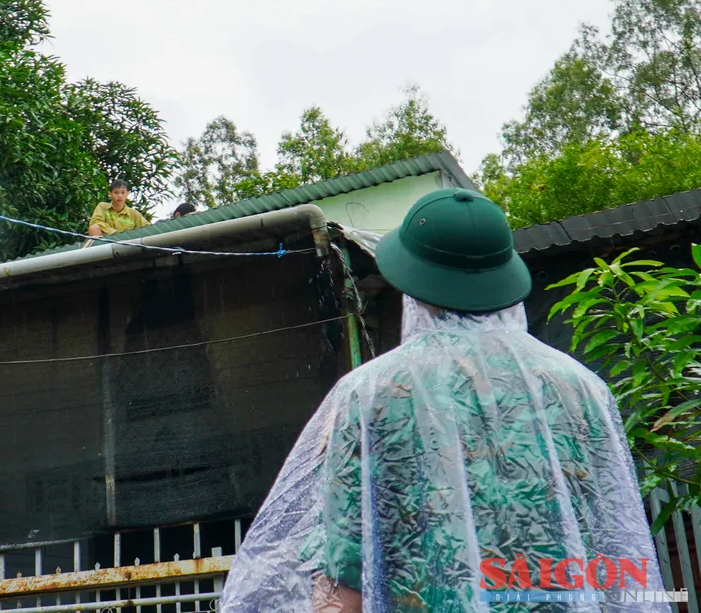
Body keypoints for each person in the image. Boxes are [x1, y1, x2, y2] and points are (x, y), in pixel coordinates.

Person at [220, 189, 668, 612]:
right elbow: (615, 540)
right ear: (502, 277)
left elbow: (344, 571)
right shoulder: (582, 388)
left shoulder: (371, 394)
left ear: (413, 284)